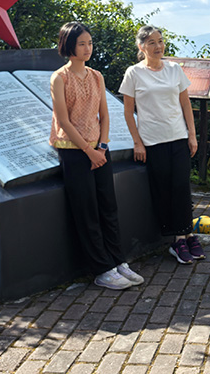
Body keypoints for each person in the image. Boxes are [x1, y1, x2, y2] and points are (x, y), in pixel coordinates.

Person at [49, 22, 144, 290]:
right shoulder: (59, 78)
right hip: (74, 151)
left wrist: (101, 146)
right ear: (68, 46)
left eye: (90, 43)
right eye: (81, 44)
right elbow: (63, 121)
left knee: (108, 207)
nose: (87, 48)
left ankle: (117, 260)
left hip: (100, 150)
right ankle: (102, 269)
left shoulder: (96, 76)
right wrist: (89, 151)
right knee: (87, 210)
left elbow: (104, 114)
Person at [118, 25, 203, 264]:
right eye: (152, 42)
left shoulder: (174, 69)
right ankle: (177, 240)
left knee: (182, 187)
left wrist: (192, 134)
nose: (158, 46)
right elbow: (128, 112)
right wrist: (137, 143)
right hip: (153, 140)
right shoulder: (134, 73)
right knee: (165, 189)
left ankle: (187, 234)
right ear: (141, 47)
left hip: (178, 136)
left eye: (160, 41)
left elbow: (186, 104)